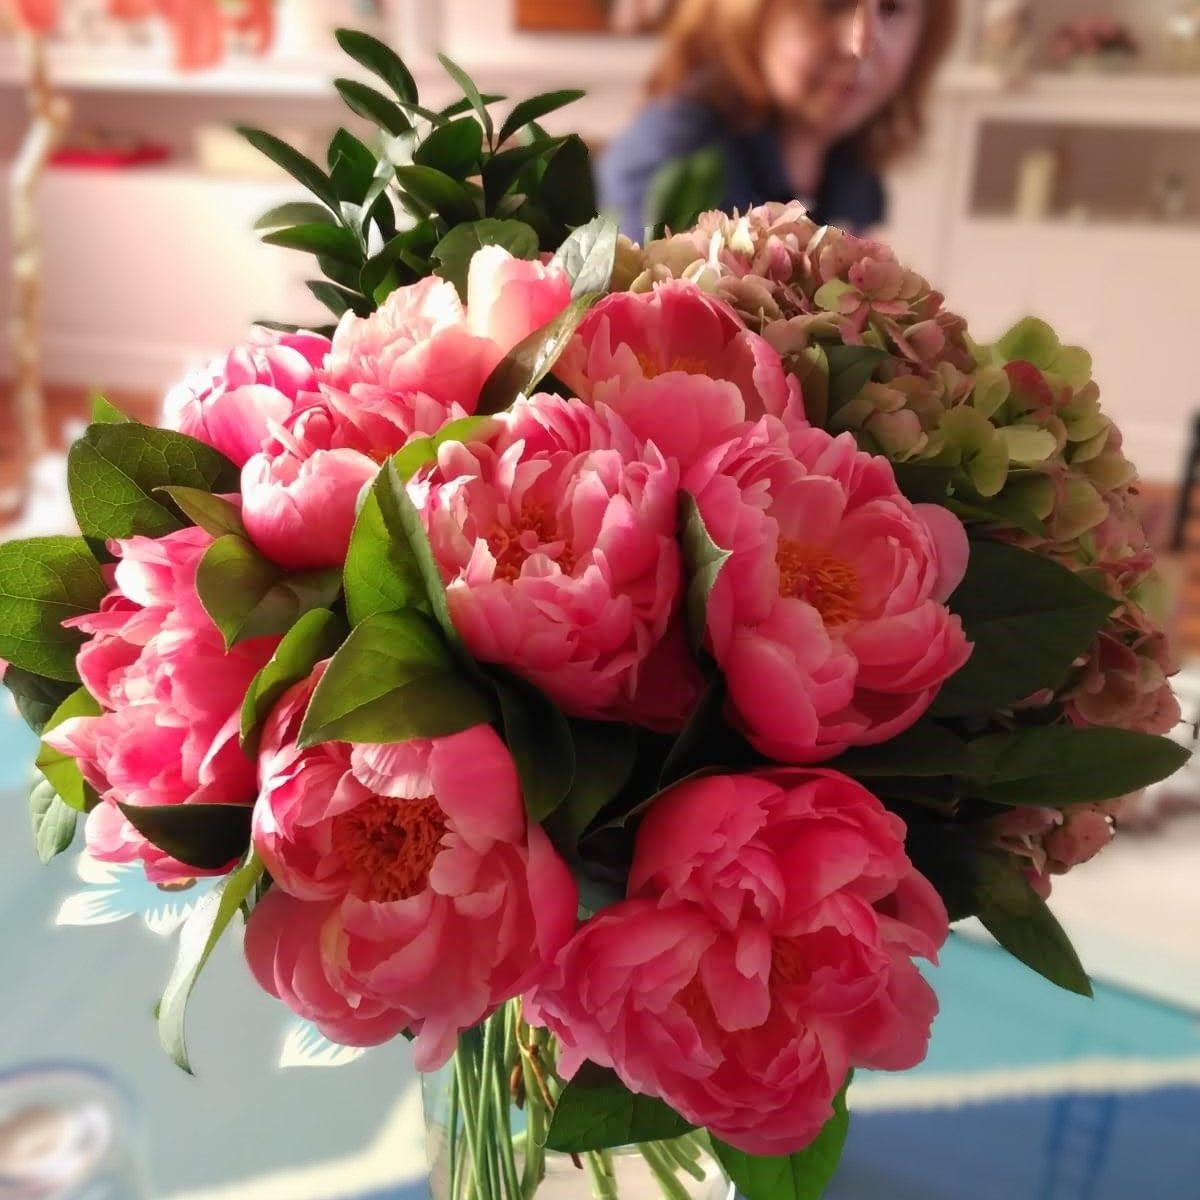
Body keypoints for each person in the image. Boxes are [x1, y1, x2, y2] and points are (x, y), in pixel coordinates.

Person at [599, 0, 958, 239]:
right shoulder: (675, 154)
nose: (857, 46)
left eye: (891, 7)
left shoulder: (854, 167)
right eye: (831, 2)